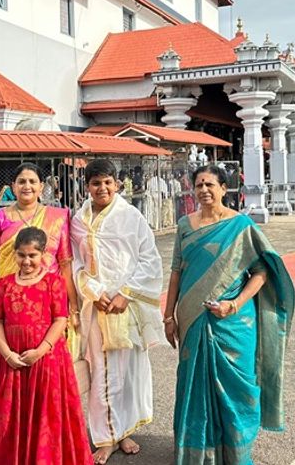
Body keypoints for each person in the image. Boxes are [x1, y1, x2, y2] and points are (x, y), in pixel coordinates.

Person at [163, 165, 295, 464]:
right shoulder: (185, 224)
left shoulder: (242, 226)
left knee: (237, 387)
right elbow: (175, 273)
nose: (204, 190)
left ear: (224, 188)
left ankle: (236, 453)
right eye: (198, 185)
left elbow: (261, 273)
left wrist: (233, 304)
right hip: (192, 316)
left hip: (234, 322)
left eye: (210, 184)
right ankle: (198, 451)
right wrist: (169, 316)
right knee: (193, 384)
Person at [71, 159, 166, 464]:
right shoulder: (78, 220)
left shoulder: (131, 217)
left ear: (117, 184)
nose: (102, 188)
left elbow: (149, 260)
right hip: (95, 308)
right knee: (101, 371)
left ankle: (123, 431)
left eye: (108, 182)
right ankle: (105, 437)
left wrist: (125, 294)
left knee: (128, 371)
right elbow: (74, 263)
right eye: (96, 183)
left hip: (125, 307)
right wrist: (93, 292)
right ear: (87, 186)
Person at [0, 227, 92, 465]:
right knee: (11, 416)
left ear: (43, 255)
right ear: (14, 254)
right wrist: (6, 352)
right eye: (21, 255)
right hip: (12, 362)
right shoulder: (5, 284)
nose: (27, 261)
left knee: (46, 414)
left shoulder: (54, 282)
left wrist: (41, 350)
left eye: (32, 255)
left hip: (47, 360)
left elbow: (61, 319)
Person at [0, 163, 79, 357]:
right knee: (15, 360)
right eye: (21, 181)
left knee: (49, 362)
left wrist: (73, 306)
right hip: (12, 304)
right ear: (13, 186)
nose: (27, 186)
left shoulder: (58, 217)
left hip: (49, 304)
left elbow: (65, 264)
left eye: (32, 181)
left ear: (41, 186)